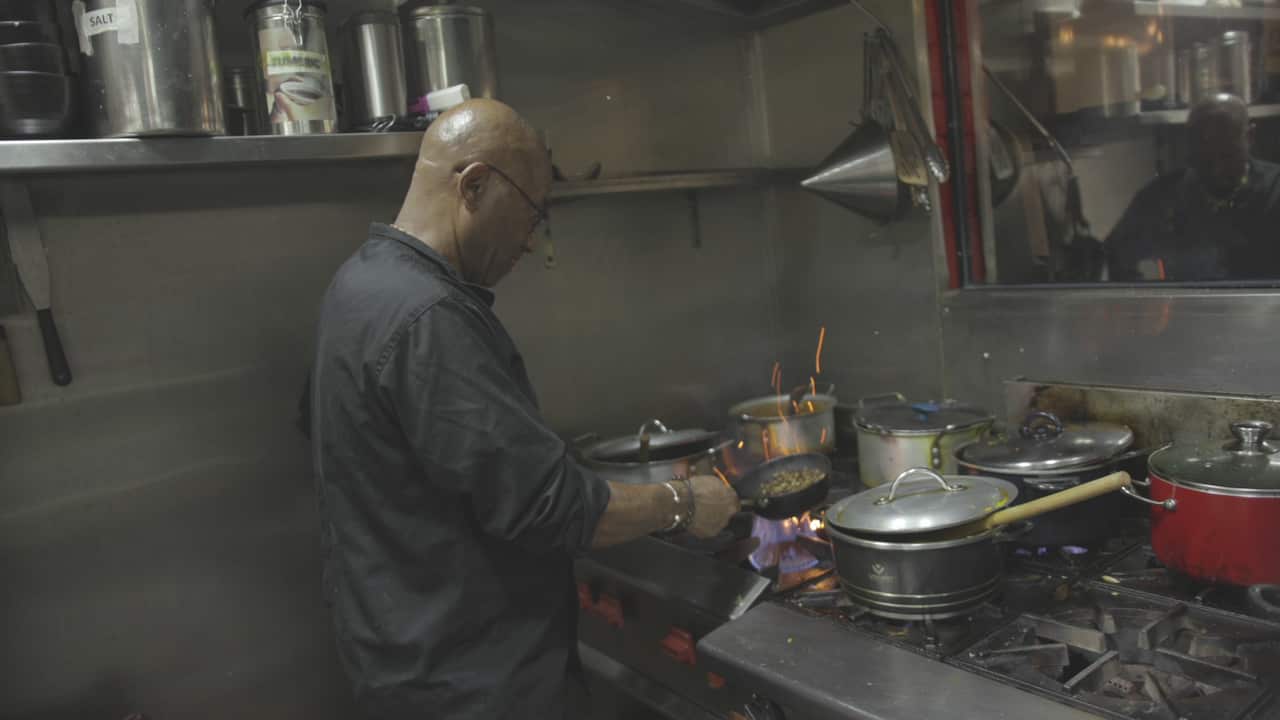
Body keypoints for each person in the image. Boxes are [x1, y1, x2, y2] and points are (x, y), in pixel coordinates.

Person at [309, 99, 741, 720]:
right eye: (532, 213)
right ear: (474, 185)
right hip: (475, 682)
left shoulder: (359, 283)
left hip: (400, 657)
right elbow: (552, 507)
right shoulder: (429, 317)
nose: (533, 240)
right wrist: (687, 502)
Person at [1106, 94, 1280, 282]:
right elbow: (1116, 255)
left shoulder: (1275, 189)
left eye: (1228, 155)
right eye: (1205, 158)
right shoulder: (1159, 198)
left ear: (1250, 136)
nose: (1217, 169)